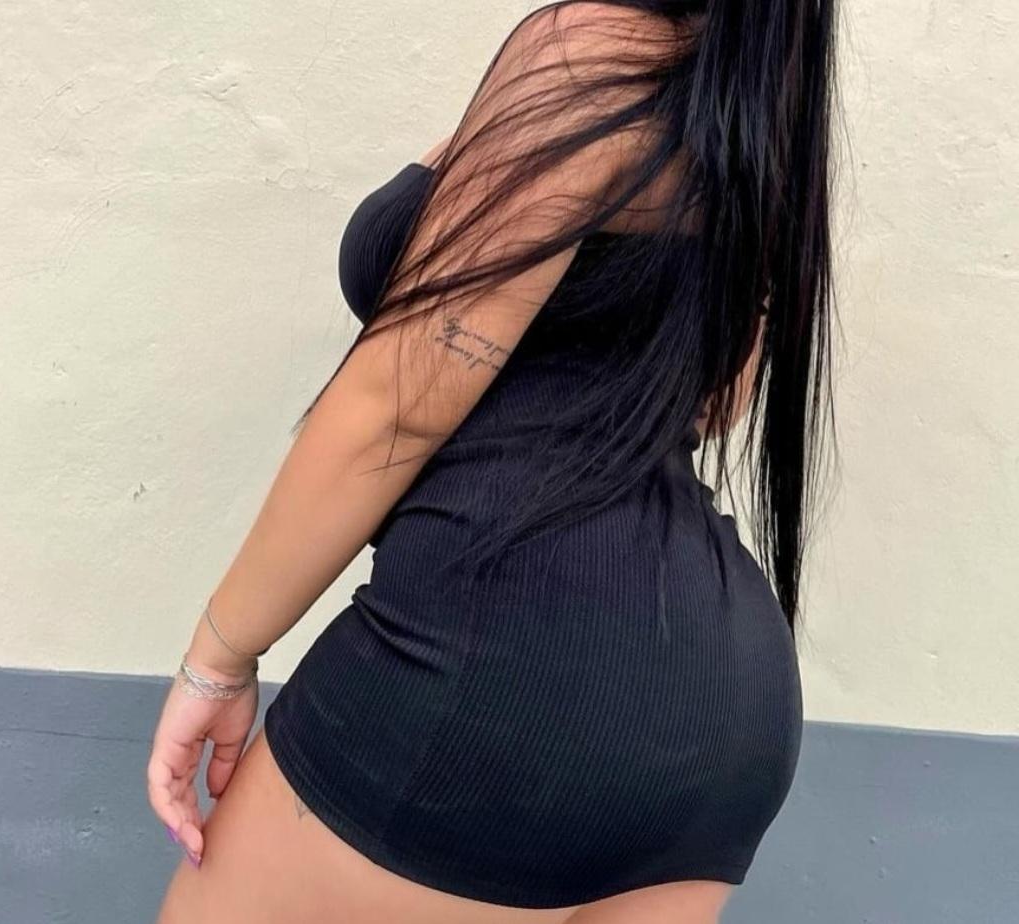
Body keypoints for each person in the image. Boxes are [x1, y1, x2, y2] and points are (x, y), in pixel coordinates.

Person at [148, 0, 838, 921]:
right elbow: (717, 403)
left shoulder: (589, 54)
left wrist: (218, 660)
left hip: (498, 670)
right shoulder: (752, 105)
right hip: (725, 714)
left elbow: (395, 406)